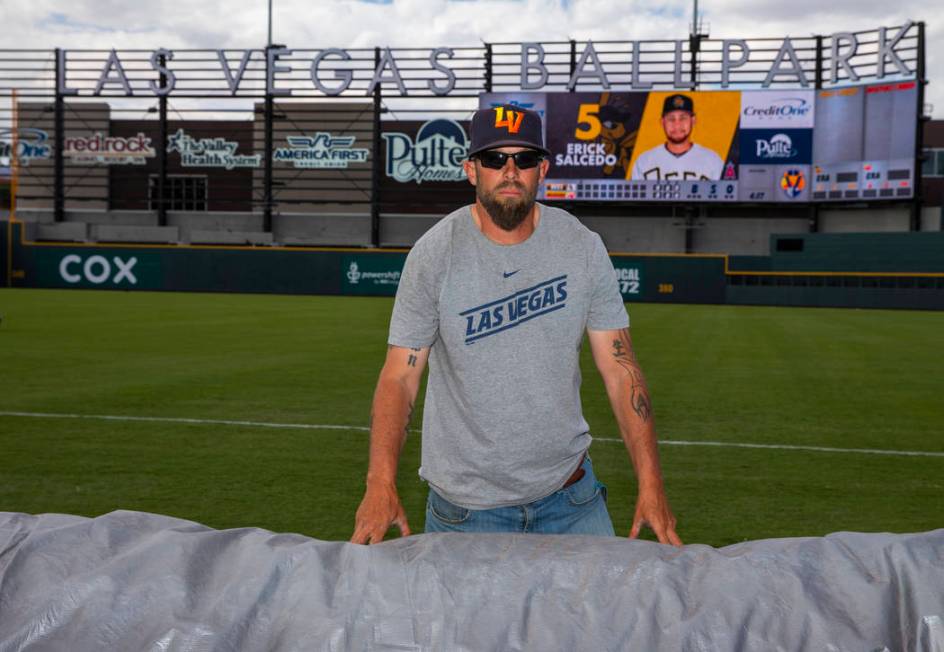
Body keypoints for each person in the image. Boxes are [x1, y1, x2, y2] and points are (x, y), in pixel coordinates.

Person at [350, 104, 681, 546]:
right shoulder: (434, 253)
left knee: (599, 617)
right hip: (466, 513)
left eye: (523, 159)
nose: (510, 171)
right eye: (494, 159)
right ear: (471, 170)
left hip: (571, 499)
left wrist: (652, 484)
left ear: (541, 169)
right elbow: (400, 376)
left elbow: (621, 371)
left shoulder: (581, 246)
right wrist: (379, 483)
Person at [630, 94, 724, 181]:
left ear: (693, 120)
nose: (677, 125)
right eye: (671, 119)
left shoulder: (713, 161)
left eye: (683, 118)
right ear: (662, 122)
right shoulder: (644, 161)